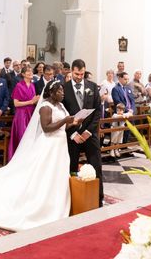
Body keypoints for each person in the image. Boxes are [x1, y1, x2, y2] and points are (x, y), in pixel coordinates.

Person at [0, 81, 80, 231]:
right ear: (51, 92)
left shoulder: (60, 106)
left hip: (60, 146)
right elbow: (46, 128)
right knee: (45, 175)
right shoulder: (45, 107)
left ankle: (56, 203)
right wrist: (65, 120)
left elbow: (63, 126)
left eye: (62, 91)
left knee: (57, 174)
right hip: (49, 145)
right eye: (60, 91)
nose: (63, 93)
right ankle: (42, 205)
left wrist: (74, 122)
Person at [62, 59, 104, 204]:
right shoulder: (64, 87)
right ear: (71, 71)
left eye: (82, 73)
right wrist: (73, 134)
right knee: (71, 165)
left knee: (96, 164)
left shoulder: (92, 86)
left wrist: (88, 132)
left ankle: (98, 199)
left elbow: (98, 110)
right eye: (76, 74)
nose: (79, 76)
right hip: (72, 135)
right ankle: (73, 199)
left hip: (90, 133)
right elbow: (62, 113)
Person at [7, 66, 38, 160]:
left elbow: (33, 100)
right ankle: (20, 159)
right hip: (21, 114)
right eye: (28, 72)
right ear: (23, 74)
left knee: (31, 137)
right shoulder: (19, 85)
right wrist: (31, 102)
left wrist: (37, 100)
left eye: (31, 71)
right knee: (22, 136)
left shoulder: (33, 85)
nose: (30, 73)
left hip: (31, 113)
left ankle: (28, 158)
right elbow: (16, 104)